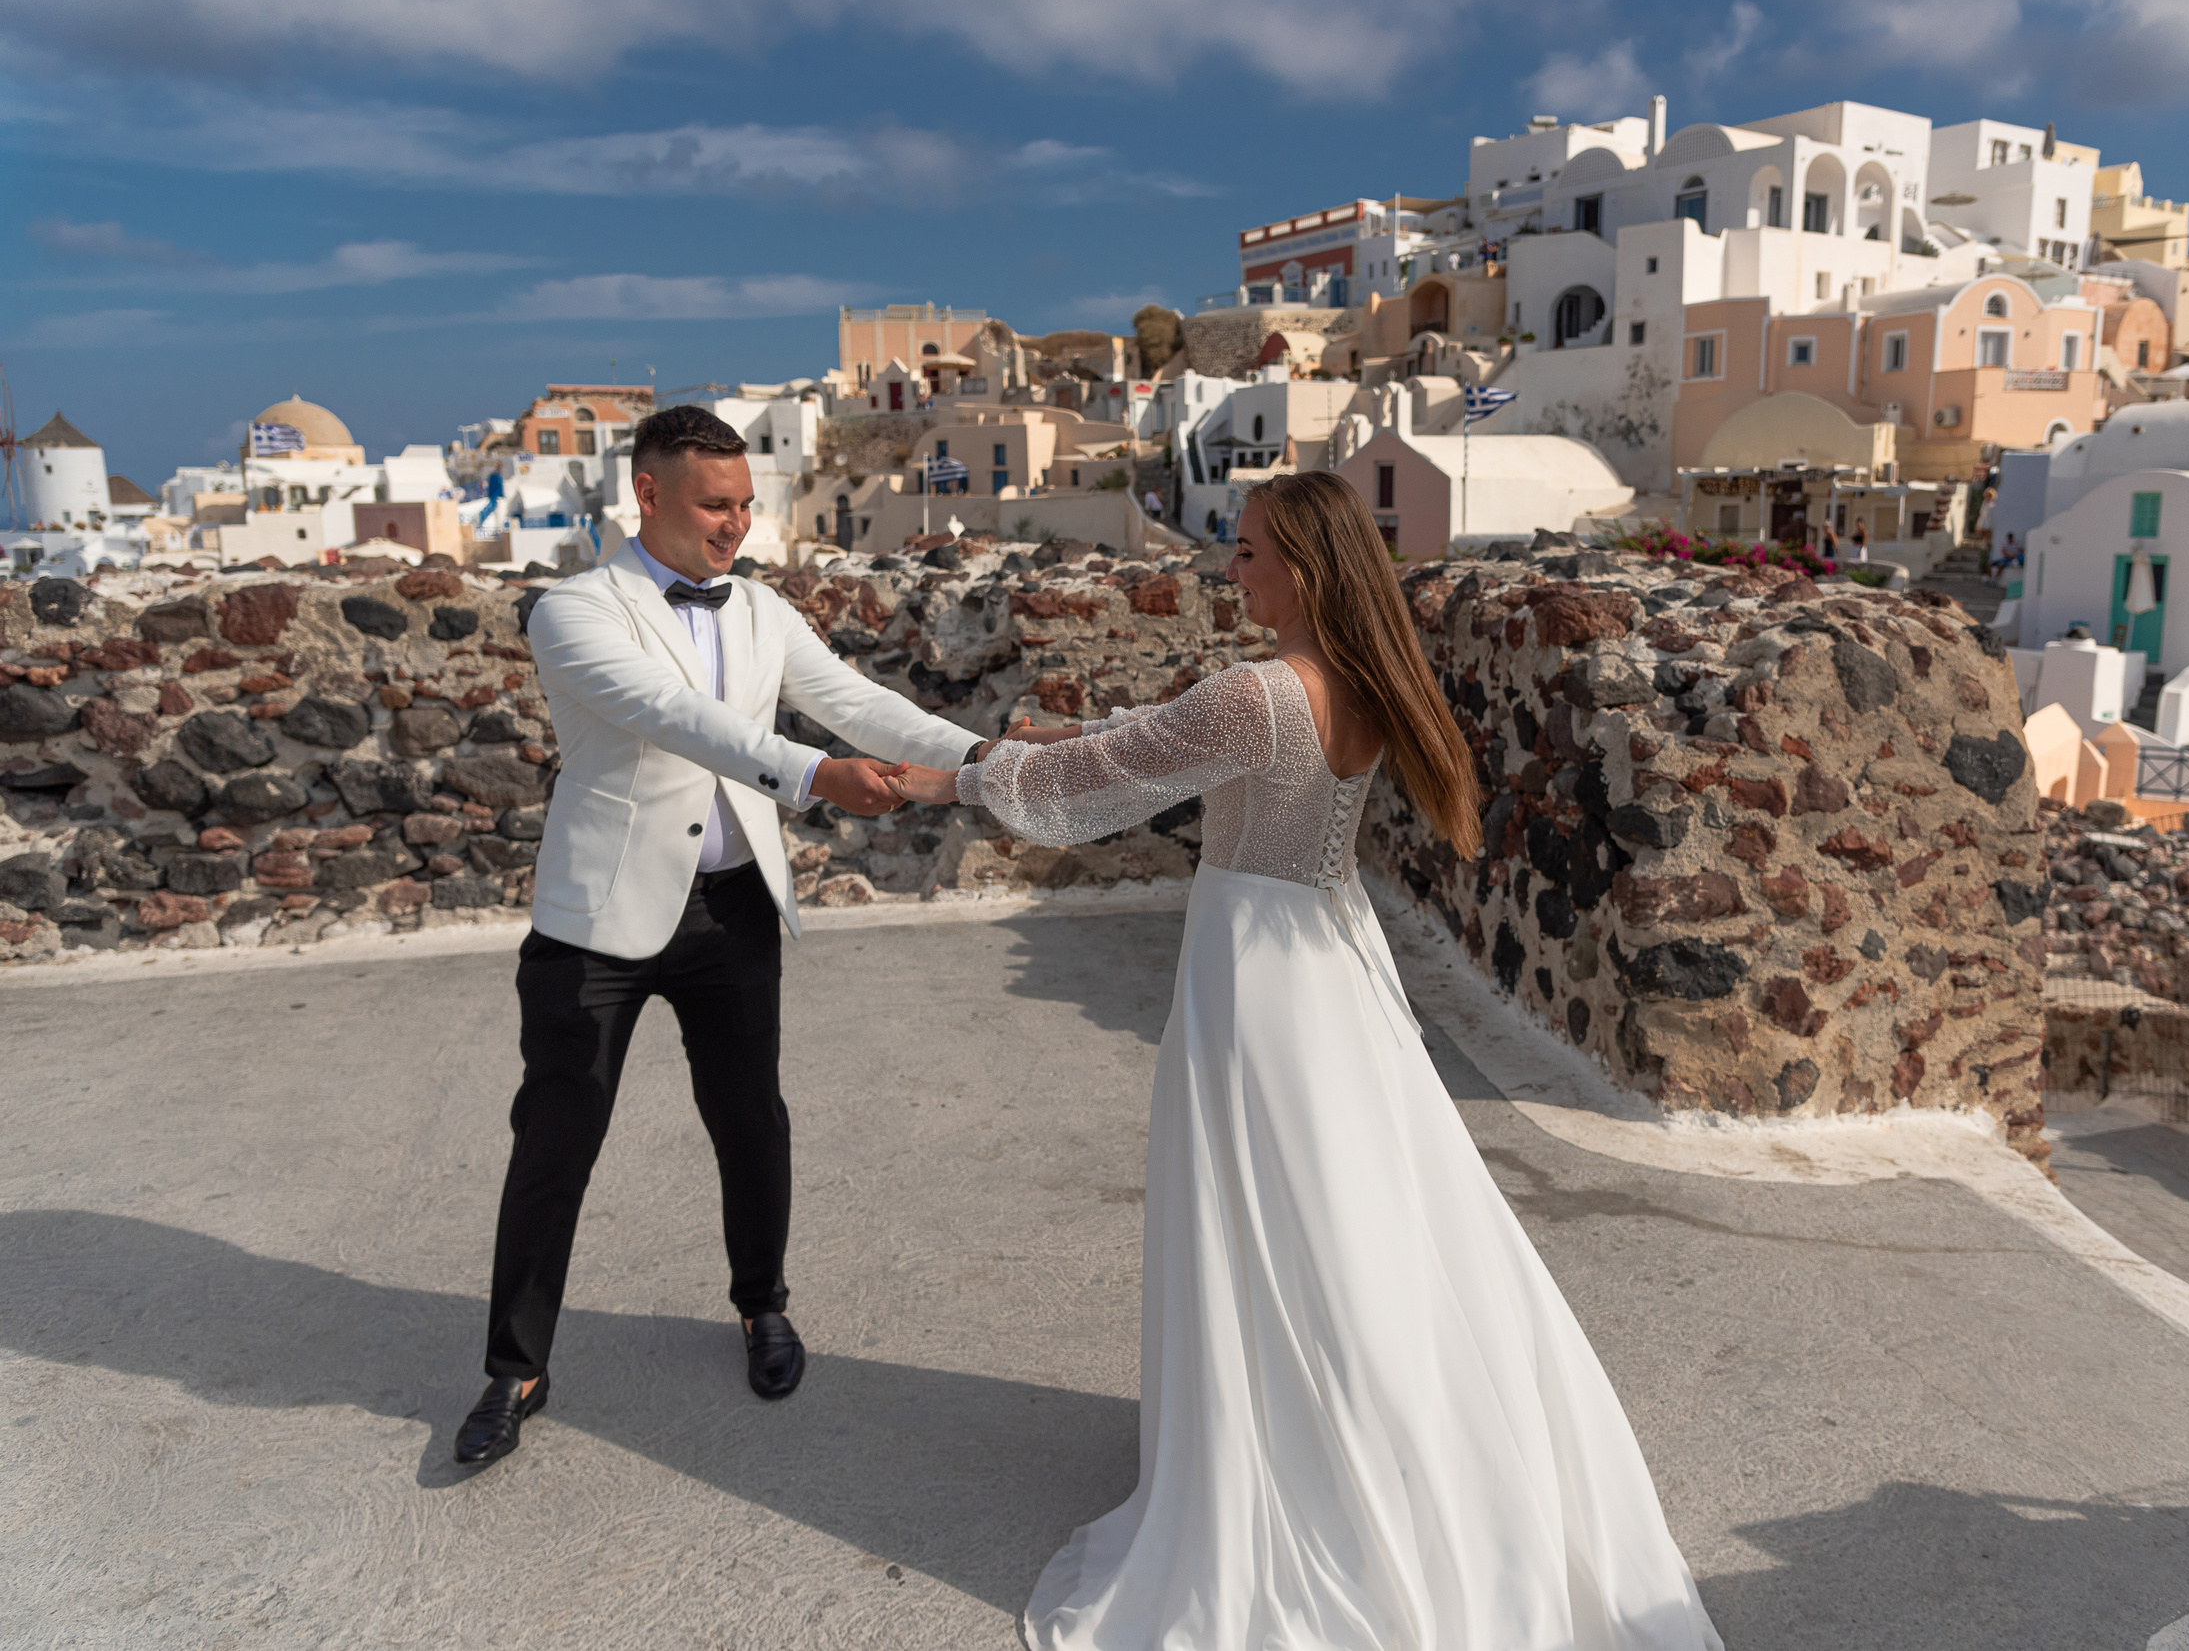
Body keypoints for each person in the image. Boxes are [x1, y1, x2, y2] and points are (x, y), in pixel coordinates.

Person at [892, 471, 1721, 1651]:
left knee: (1264, 1207)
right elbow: (1137, 745)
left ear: (1306, 567)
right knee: (1354, 1207)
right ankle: (1391, 1438)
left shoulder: (1257, 692)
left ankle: (1300, 1456)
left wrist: (950, 777)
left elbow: (1094, 783)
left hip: (1253, 966)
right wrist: (1034, 748)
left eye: (1248, 552)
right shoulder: (1371, 682)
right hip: (1328, 947)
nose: (1232, 569)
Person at [450, 406, 991, 1468]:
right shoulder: (572, 609)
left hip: (734, 904)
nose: (735, 524)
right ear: (647, 493)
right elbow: (677, 716)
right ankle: (514, 1367)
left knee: (751, 1121)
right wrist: (814, 775)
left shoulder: (760, 608)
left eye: (745, 504)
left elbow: (856, 701)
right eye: (713, 505)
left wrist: (986, 758)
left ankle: (762, 1305)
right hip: (598, 921)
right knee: (555, 1140)